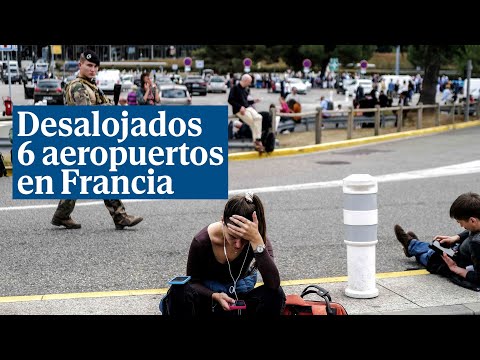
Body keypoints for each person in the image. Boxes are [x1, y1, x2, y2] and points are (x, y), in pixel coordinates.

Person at [50, 49, 143, 230]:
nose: (93, 69)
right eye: (89, 65)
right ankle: (120, 217)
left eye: (95, 67)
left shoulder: (90, 86)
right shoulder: (78, 87)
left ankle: (62, 215)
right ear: (80, 65)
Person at [161, 192, 286, 317]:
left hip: (238, 299)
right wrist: (214, 295)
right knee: (178, 290)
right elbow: (193, 282)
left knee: (276, 293)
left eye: (244, 238)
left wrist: (257, 242)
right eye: (232, 236)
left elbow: (273, 284)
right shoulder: (202, 241)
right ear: (222, 221)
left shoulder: (256, 239)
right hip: (209, 300)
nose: (238, 244)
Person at [394, 192, 480, 290]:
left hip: (458, 262)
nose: (461, 226)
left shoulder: (476, 244)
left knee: (432, 258)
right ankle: (412, 245)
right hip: (459, 251)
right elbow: (473, 230)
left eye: (460, 222)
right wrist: (456, 237)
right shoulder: (477, 224)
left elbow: (478, 277)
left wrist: (455, 269)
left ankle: (411, 245)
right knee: (438, 247)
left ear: (472, 220)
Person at [228, 74, 265, 153]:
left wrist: (254, 101)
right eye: (249, 82)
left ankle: (257, 139)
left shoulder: (245, 90)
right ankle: (257, 142)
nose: (250, 84)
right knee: (252, 122)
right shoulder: (234, 88)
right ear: (245, 80)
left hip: (248, 108)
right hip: (240, 110)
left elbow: (246, 102)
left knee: (259, 118)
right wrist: (239, 107)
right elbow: (230, 100)